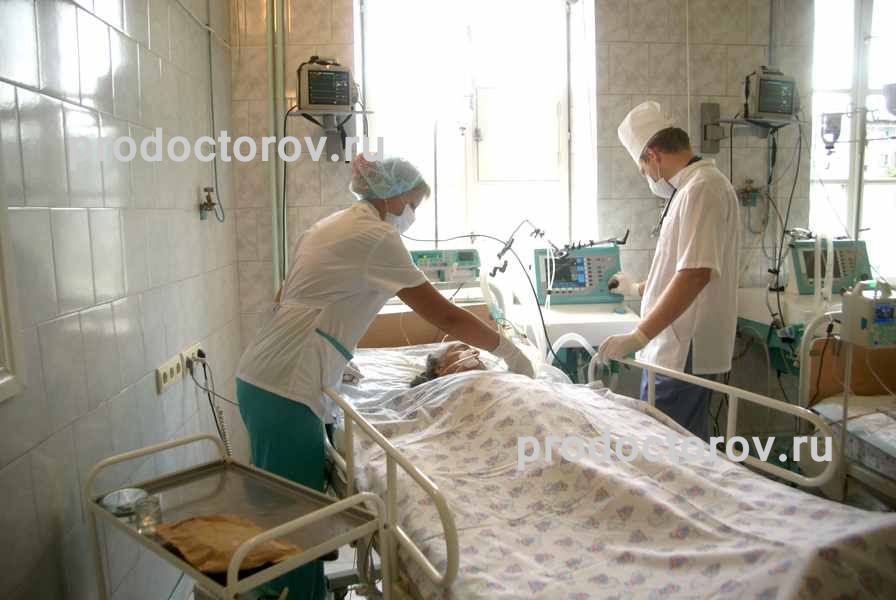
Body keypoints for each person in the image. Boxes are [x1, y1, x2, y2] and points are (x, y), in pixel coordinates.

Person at [235, 154, 534, 599]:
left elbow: (288, 297)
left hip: (265, 376)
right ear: (391, 195)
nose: (412, 214)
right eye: (413, 203)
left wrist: (331, 351)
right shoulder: (377, 237)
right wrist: (509, 351)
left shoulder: (330, 225)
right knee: (296, 528)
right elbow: (444, 315)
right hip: (286, 388)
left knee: (288, 516)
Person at [597, 101, 740, 440]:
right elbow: (680, 267)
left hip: (682, 346)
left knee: (668, 447)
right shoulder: (691, 188)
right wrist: (637, 289)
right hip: (671, 343)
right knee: (673, 444)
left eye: (643, 168)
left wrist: (638, 336)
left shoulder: (702, 188)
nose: (647, 176)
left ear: (653, 155)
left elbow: (695, 274)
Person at [410, 342, 487, 387]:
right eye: (462, 351)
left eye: (470, 350)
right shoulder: (432, 387)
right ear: (440, 368)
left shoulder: (484, 380)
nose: (472, 354)